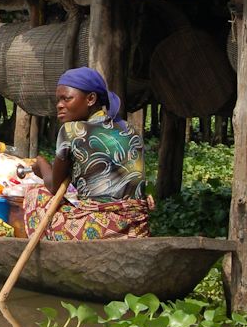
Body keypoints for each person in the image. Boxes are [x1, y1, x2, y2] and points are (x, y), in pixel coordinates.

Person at [24, 66, 152, 241]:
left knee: (35, 194)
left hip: (98, 229)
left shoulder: (71, 130)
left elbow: (53, 186)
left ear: (91, 98)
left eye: (66, 99)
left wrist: (41, 164)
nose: (59, 105)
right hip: (137, 227)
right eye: (58, 100)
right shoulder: (128, 129)